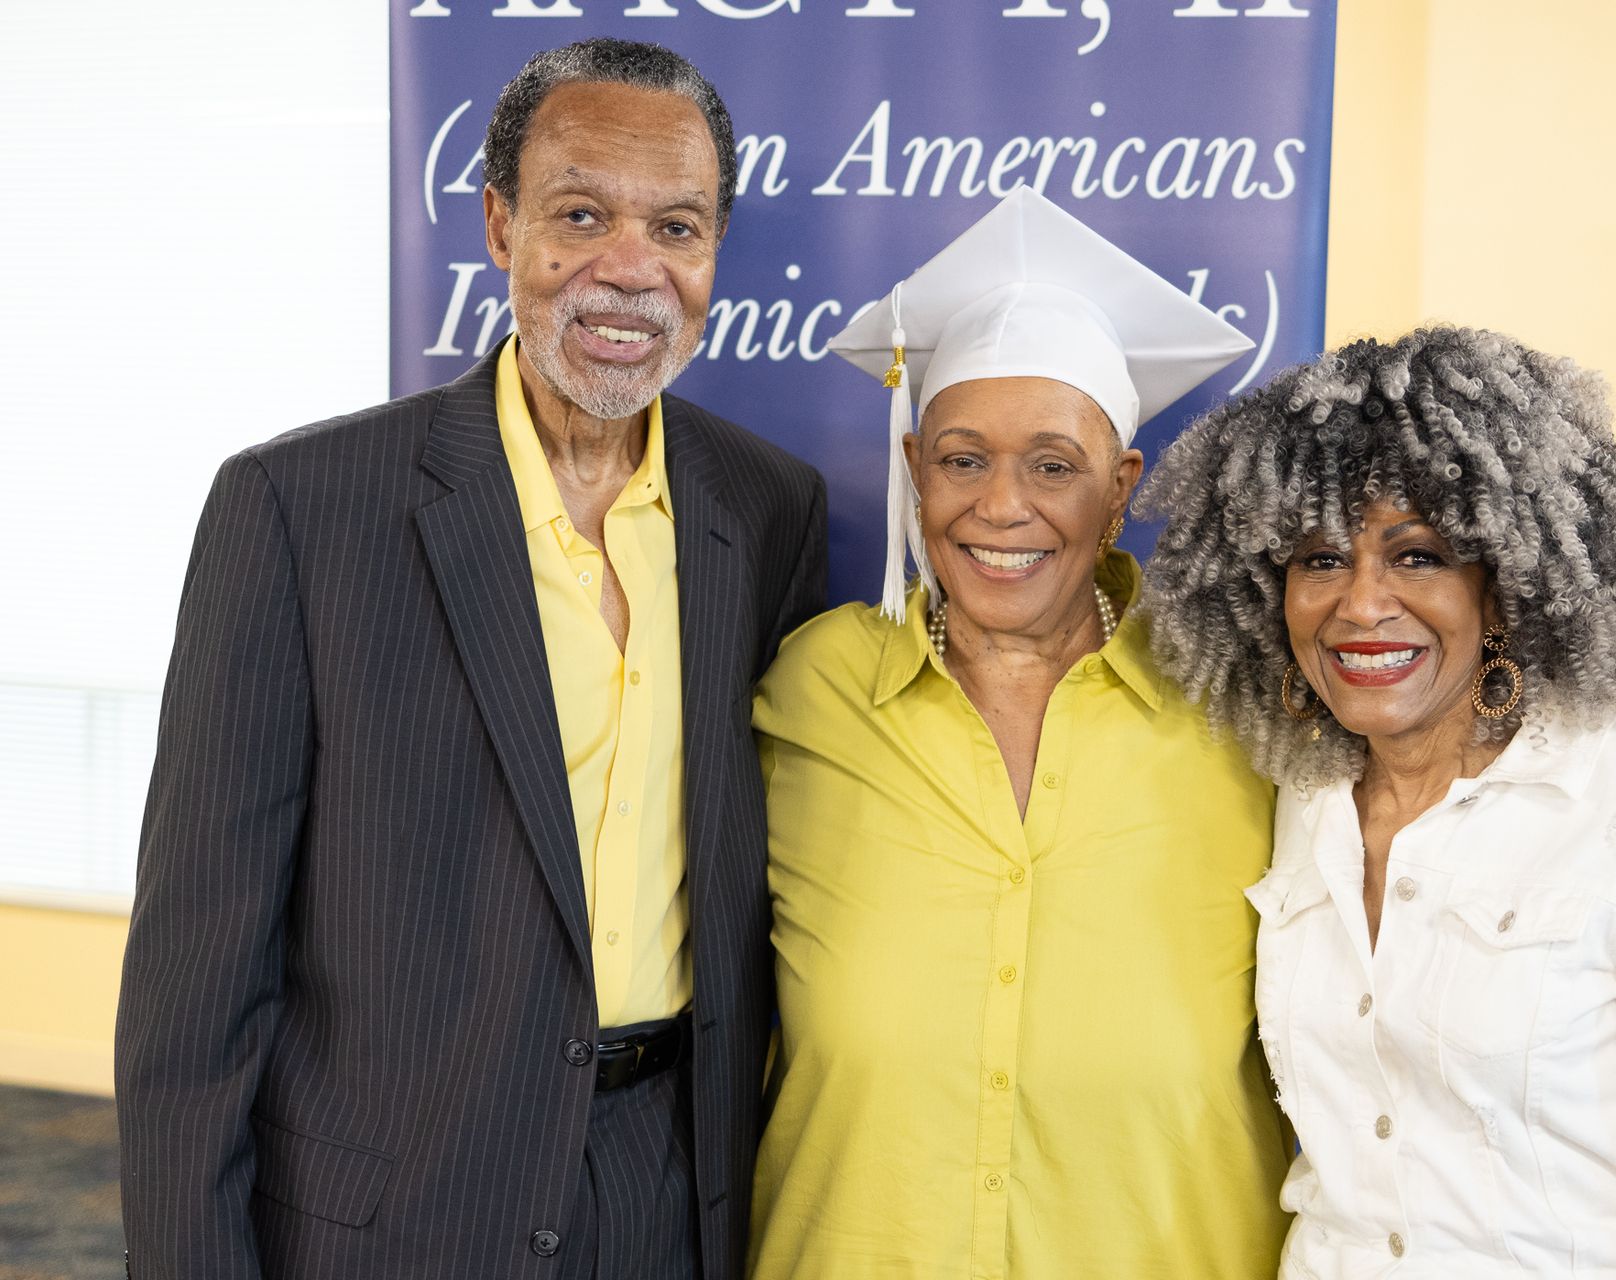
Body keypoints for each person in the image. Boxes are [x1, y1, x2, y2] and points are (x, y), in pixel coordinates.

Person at [115, 39, 826, 1280]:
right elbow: (195, 985)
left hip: (669, 1194)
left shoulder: (768, 510)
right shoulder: (297, 507)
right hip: (393, 1213)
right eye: (581, 214)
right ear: (500, 226)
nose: (629, 270)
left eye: (676, 225)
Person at [1137, 325, 1616, 1276]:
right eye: (1320, 558)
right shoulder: (1288, 802)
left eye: (1418, 556)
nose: (1360, 604)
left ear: (1512, 586)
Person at [746, 187, 1290, 1279]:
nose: (1002, 506)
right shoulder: (811, 691)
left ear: (1122, 488)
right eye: (961, 458)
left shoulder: (1242, 704)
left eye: (1053, 464)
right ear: (913, 472)